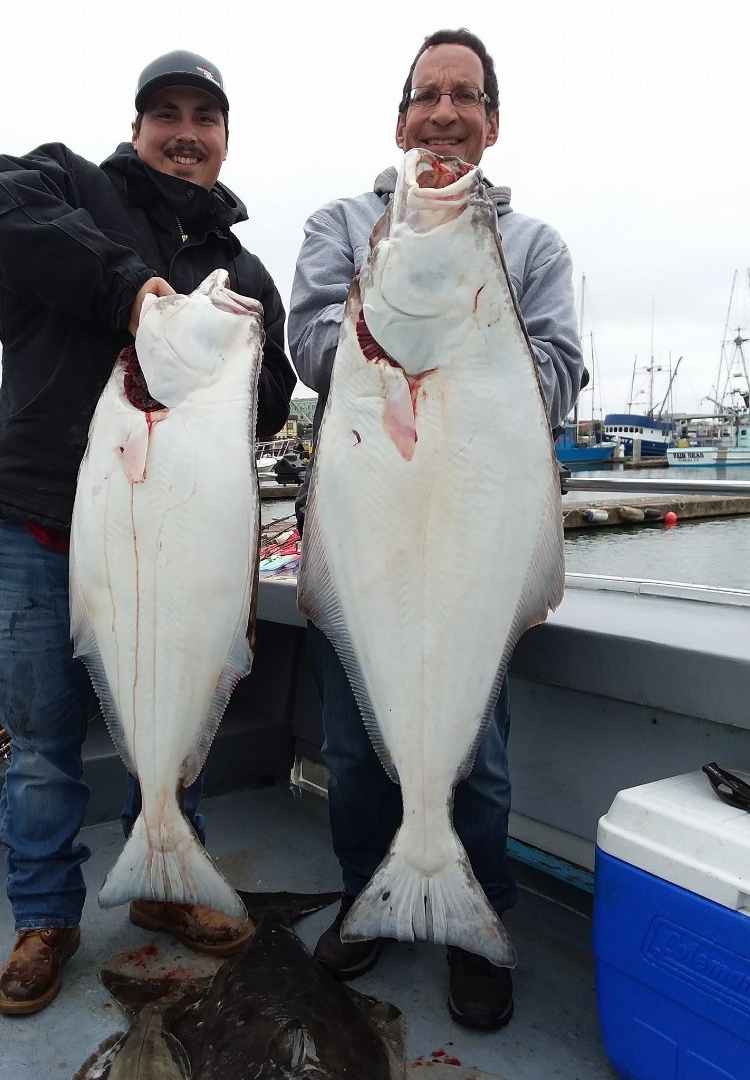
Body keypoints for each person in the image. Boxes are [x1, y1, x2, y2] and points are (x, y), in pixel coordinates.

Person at [0, 49, 295, 1016]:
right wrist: (129, 294)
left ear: (225, 140)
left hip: (170, 541)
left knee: (173, 726)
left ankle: (165, 879)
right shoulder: (64, 184)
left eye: (206, 118)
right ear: (138, 124)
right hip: (38, 529)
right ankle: (47, 917)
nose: (185, 133)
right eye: (166, 113)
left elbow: (266, 406)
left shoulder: (245, 271)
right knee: (40, 745)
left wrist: (222, 362)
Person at [288, 28, 583, 1031]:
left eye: (465, 96)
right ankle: (368, 896)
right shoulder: (342, 223)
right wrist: (407, 311)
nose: (445, 112)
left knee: (481, 757)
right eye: (427, 95)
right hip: (367, 523)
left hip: (469, 530)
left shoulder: (532, 247)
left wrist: (470, 308)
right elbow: (315, 344)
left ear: (490, 123)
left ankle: (473, 923)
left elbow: (552, 380)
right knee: (352, 743)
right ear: (401, 118)